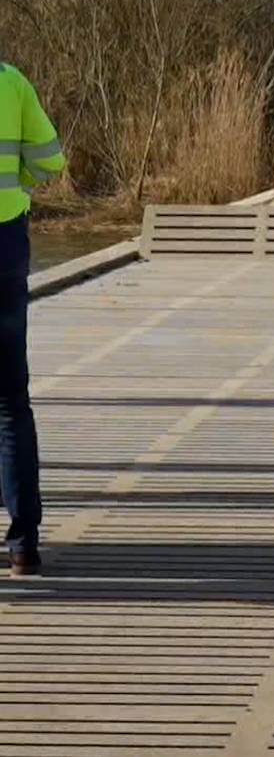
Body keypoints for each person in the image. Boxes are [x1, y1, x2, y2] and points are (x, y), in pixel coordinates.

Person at [0, 62, 65, 576]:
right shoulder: (12, 81)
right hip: (4, 248)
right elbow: (49, 160)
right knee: (10, 403)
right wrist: (17, 181)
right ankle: (23, 543)